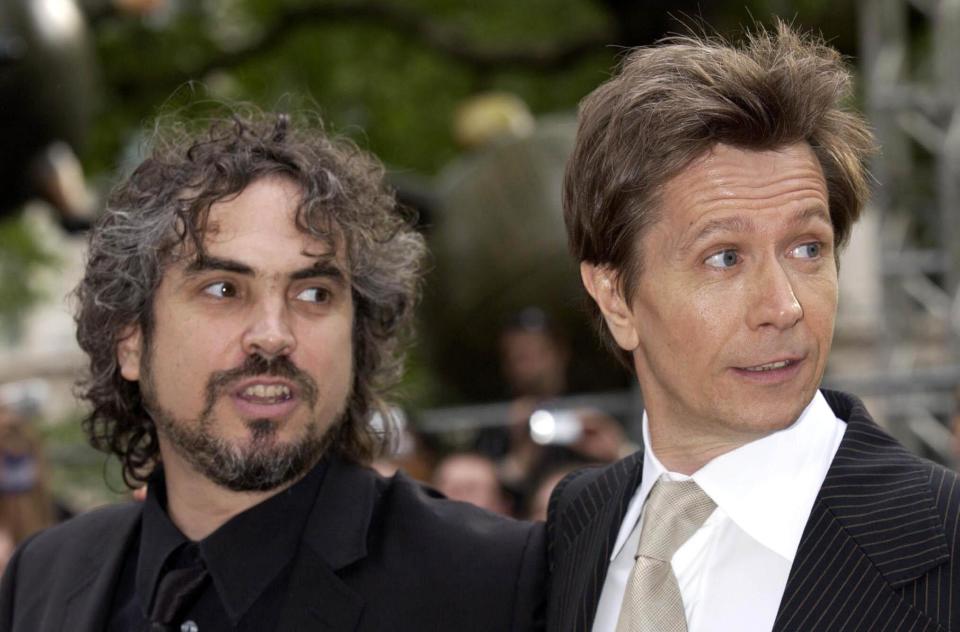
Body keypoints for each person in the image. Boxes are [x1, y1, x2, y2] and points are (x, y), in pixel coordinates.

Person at [0, 107, 545, 631]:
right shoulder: (43, 577)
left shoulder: (491, 583)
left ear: (358, 335)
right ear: (131, 341)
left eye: (313, 293)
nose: (273, 334)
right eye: (222, 289)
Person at [546, 22, 960, 632]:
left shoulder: (944, 543)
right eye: (725, 257)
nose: (784, 305)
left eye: (807, 249)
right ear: (615, 298)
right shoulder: (571, 529)